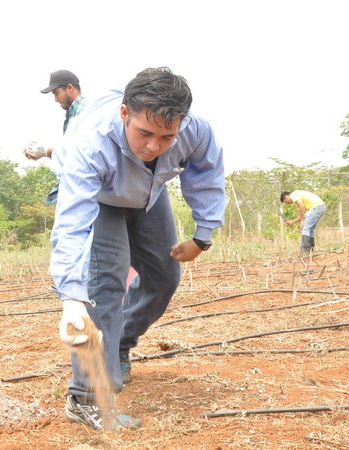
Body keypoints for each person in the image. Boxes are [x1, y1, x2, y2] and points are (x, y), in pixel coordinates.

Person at [51, 67, 226, 430]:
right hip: (101, 195)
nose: (153, 146)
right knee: (106, 284)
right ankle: (87, 399)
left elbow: (206, 172)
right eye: (145, 133)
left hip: (147, 193)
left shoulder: (194, 129)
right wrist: (70, 297)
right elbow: (72, 224)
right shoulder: (91, 144)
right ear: (125, 113)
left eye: (166, 137)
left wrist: (202, 236)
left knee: (164, 276)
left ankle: (117, 344)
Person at [24, 69, 88, 205]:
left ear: (70, 88)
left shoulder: (84, 113)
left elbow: (79, 155)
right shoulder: (73, 114)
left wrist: (45, 152)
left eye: (56, 93)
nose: (55, 99)